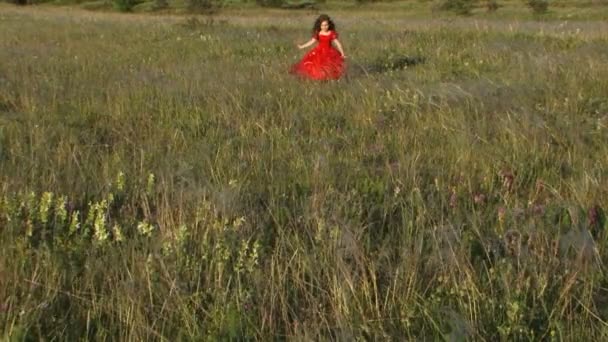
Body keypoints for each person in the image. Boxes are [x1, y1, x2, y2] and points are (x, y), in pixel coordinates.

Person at [290, 14, 346, 81]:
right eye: (322, 25)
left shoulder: (331, 33)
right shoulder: (318, 33)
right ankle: (320, 78)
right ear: (320, 25)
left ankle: (328, 78)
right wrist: (302, 46)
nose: (324, 27)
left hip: (330, 52)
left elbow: (338, 44)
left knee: (330, 66)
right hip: (319, 52)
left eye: (326, 25)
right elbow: (311, 42)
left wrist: (342, 54)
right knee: (317, 66)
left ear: (329, 25)